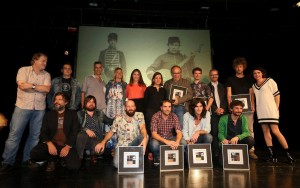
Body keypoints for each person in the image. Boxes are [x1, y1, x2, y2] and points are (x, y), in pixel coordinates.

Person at [0, 52, 51, 175]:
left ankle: (27, 159)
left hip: (39, 109)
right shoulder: (23, 70)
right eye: (43, 60)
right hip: (22, 107)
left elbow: (47, 89)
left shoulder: (47, 74)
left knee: (34, 136)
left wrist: (31, 86)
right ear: (35, 60)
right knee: (14, 135)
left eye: (46, 61)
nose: (45, 63)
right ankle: (7, 162)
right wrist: (38, 87)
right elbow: (22, 86)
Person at [252, 67, 294, 164]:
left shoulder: (270, 81)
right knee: (266, 132)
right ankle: (272, 155)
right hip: (261, 111)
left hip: (271, 110)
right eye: (255, 73)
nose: (257, 75)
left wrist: (276, 108)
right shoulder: (254, 86)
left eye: (258, 72)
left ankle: (288, 154)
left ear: (262, 73)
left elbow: (277, 95)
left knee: (276, 131)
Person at [30, 92, 80, 172]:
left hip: (66, 145)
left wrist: (67, 146)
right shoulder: (48, 115)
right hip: (53, 144)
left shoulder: (72, 114)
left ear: (66, 102)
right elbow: (43, 132)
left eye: (60, 99)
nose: (56, 101)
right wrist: (49, 143)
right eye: (55, 99)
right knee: (34, 153)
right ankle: (52, 160)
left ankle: (61, 158)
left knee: (74, 167)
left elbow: (74, 131)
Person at [95, 100, 148, 168]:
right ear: (125, 108)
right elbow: (111, 132)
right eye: (128, 106)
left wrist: (145, 138)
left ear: (135, 107)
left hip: (135, 144)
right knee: (117, 164)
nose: (130, 108)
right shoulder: (118, 119)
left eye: (132, 106)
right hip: (122, 146)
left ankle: (132, 157)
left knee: (145, 136)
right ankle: (132, 158)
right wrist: (103, 142)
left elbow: (143, 127)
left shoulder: (139, 115)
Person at [226, 57, 258, 160]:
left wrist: (253, 104)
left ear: (243, 67)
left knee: (249, 129)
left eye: (240, 66)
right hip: (235, 109)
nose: (239, 68)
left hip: (247, 108)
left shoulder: (249, 79)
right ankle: (237, 149)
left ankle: (251, 150)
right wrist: (230, 106)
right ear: (234, 68)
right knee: (235, 129)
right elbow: (229, 93)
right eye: (237, 67)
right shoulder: (230, 79)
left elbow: (251, 92)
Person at [149, 100, 186, 166]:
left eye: (169, 107)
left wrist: (177, 142)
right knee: (154, 145)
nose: (167, 109)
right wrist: (166, 141)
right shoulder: (156, 116)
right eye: (165, 107)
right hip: (158, 138)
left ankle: (173, 157)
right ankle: (157, 157)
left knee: (183, 142)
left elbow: (179, 131)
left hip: (170, 137)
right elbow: (154, 134)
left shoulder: (173, 116)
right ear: (161, 108)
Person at [218, 100, 255, 164]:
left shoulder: (243, 118)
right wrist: (223, 139)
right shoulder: (223, 118)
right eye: (237, 108)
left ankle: (243, 153)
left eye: (241, 108)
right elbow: (220, 134)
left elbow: (246, 132)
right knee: (222, 163)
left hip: (238, 142)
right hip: (227, 143)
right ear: (231, 109)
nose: (239, 110)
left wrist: (237, 137)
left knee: (250, 140)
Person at [76, 95, 105, 164]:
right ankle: (79, 157)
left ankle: (93, 154)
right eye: (89, 102)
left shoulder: (100, 113)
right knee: (81, 135)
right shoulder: (80, 113)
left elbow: (109, 121)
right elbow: (75, 126)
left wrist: (117, 117)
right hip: (83, 138)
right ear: (85, 103)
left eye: (93, 102)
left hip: (96, 138)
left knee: (100, 150)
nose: (91, 104)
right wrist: (86, 130)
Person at [105, 67, 127, 151]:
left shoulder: (125, 84)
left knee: (120, 128)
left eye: (120, 72)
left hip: (121, 109)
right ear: (115, 74)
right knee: (110, 128)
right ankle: (111, 149)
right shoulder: (109, 83)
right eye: (117, 72)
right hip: (110, 109)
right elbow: (106, 96)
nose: (119, 74)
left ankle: (119, 148)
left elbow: (126, 98)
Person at [207, 69, 228, 158]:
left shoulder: (223, 86)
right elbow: (207, 101)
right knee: (214, 133)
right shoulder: (206, 87)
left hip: (224, 112)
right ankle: (216, 152)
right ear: (209, 76)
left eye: (215, 75)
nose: (214, 76)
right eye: (212, 75)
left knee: (224, 132)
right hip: (213, 113)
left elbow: (226, 99)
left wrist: (222, 108)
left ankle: (225, 150)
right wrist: (215, 109)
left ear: (218, 76)